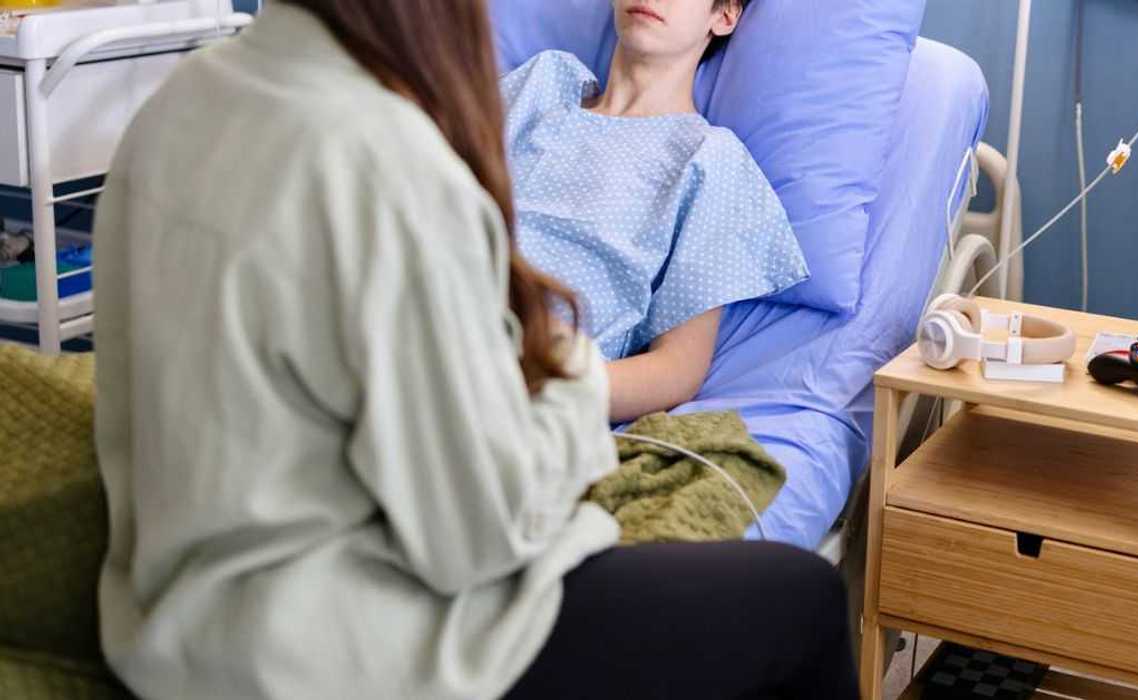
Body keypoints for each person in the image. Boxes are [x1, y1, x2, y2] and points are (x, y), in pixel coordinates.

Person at [92, 1, 858, 698]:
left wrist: (548, 372)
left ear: (724, 17)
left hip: (166, 619)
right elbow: (476, 535)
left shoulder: (181, 97)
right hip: (318, 642)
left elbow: (676, 365)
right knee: (807, 598)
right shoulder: (461, 128)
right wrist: (541, 400)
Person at [503, 0, 808, 423]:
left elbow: (677, 369)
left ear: (724, 16)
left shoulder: (710, 160)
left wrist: (551, 385)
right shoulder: (545, 84)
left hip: (524, 380)